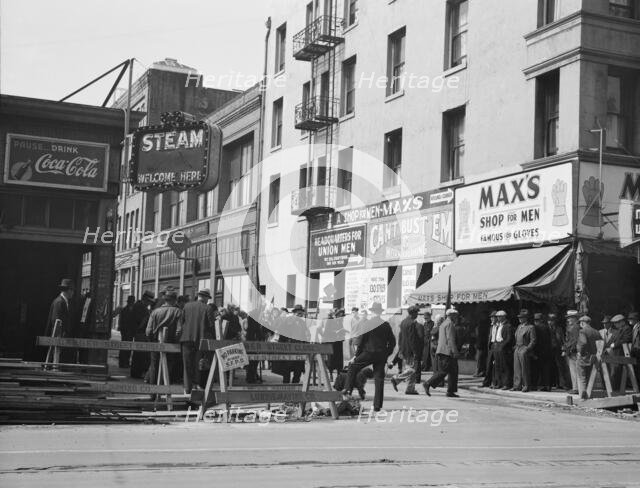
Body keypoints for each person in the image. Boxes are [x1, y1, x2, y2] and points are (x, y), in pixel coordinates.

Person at [341, 302, 396, 412]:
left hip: (368, 352)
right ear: (380, 312)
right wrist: (386, 354)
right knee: (379, 379)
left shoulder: (367, 324)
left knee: (352, 366)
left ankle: (346, 392)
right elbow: (393, 343)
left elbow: (361, 342)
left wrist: (356, 356)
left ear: (372, 312)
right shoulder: (386, 324)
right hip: (381, 354)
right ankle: (377, 406)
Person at [177, 288, 213, 394]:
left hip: (186, 339)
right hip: (200, 339)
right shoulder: (208, 308)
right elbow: (211, 326)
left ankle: (187, 388)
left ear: (198, 296)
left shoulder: (187, 306)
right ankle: (196, 387)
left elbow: (181, 322)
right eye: (208, 298)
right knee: (198, 364)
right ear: (206, 298)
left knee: (187, 365)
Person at [145, 290, 183, 384]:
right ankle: (162, 389)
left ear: (165, 300)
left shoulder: (155, 312)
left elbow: (148, 331)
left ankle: (152, 392)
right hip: (171, 344)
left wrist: (151, 340)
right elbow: (179, 331)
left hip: (155, 342)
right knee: (167, 366)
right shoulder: (178, 312)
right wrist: (176, 342)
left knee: (154, 366)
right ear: (174, 300)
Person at [422, 308, 460, 398]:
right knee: (444, 371)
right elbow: (450, 339)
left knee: (453, 371)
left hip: (442, 350)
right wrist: (455, 351)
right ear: (450, 315)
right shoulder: (450, 324)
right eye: (455, 315)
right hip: (447, 351)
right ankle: (428, 383)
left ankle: (450, 391)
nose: (456, 317)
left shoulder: (443, 323)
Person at [390, 306, 423, 395]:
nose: (417, 315)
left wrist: (400, 348)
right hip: (409, 350)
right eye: (416, 313)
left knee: (410, 369)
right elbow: (412, 339)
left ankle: (410, 388)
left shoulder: (404, 322)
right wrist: (415, 351)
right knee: (412, 369)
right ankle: (396, 378)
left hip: (404, 348)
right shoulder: (411, 323)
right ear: (413, 313)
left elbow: (400, 337)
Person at [277, 304, 310, 383]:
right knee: (287, 368)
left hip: (299, 349)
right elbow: (282, 333)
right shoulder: (287, 321)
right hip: (289, 348)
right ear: (294, 313)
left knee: (298, 369)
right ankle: (286, 386)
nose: (300, 315)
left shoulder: (302, 322)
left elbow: (305, 335)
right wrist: (282, 345)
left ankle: (295, 385)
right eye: (298, 313)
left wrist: (306, 344)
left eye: (301, 313)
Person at [46, 278, 77, 363]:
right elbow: (56, 323)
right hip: (59, 340)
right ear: (67, 290)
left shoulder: (65, 302)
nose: (73, 292)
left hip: (63, 341)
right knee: (56, 362)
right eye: (72, 290)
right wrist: (62, 337)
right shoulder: (59, 303)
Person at [130, 291, 155, 379]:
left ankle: (136, 372)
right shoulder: (140, 307)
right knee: (140, 355)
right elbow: (141, 322)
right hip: (141, 333)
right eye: (149, 302)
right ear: (145, 299)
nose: (149, 304)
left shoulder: (139, 306)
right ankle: (137, 373)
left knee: (139, 354)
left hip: (139, 333)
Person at [606, 314, 633, 390]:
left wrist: (614, 345)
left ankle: (617, 389)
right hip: (614, 354)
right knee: (614, 372)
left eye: (616, 322)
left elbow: (626, 339)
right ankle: (614, 389)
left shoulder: (627, 329)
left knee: (617, 372)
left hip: (621, 353)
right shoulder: (618, 331)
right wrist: (605, 346)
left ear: (622, 322)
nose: (615, 324)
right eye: (614, 323)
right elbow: (611, 340)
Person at [512, 309, 536, 392]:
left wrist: (527, 348)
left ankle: (526, 385)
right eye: (519, 317)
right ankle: (517, 385)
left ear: (526, 318)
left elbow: (533, 340)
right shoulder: (519, 326)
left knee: (524, 368)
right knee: (517, 368)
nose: (520, 319)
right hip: (517, 348)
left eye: (522, 318)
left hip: (524, 348)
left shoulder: (530, 327)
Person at [576, 315, 600, 400]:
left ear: (582, 323)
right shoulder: (596, 332)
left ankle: (583, 394)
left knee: (582, 376)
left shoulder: (582, 331)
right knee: (589, 375)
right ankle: (589, 393)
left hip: (584, 357)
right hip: (594, 357)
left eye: (580, 323)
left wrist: (580, 352)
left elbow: (583, 343)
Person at [548, 313, 570, 390]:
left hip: (557, 349)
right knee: (550, 367)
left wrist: (563, 348)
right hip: (549, 350)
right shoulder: (547, 328)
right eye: (550, 320)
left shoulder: (559, 329)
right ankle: (551, 383)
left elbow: (562, 339)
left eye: (553, 320)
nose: (551, 322)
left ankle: (561, 384)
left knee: (560, 367)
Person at [494, 310, 514, 390]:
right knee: (498, 365)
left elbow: (509, 338)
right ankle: (499, 383)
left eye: (499, 316)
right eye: (497, 316)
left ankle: (507, 383)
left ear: (504, 317)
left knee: (505, 366)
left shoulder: (508, 326)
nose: (498, 318)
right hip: (497, 345)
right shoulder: (498, 325)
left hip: (503, 347)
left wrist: (503, 345)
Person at [532, 312, 551, 391]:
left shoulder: (536, 328)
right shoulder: (546, 327)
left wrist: (534, 352)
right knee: (546, 369)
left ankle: (537, 385)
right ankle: (547, 385)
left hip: (538, 351)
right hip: (547, 350)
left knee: (537, 369)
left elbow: (536, 341)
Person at [563, 310, 580, 395]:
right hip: (571, 351)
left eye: (570, 318)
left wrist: (569, 349)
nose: (568, 319)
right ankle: (575, 387)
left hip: (574, 351)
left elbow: (575, 340)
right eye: (568, 318)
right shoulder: (571, 327)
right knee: (573, 370)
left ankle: (576, 388)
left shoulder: (576, 327)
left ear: (575, 318)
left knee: (575, 370)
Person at [118, 296, 136, 368]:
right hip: (125, 331)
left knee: (128, 347)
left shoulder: (132, 309)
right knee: (124, 347)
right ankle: (122, 363)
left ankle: (125, 362)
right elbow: (122, 320)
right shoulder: (125, 310)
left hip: (129, 331)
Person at [482, 311, 499, 387]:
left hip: (497, 346)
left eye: (493, 317)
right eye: (491, 317)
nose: (492, 319)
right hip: (491, 346)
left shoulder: (499, 326)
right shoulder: (492, 326)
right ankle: (486, 382)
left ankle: (495, 382)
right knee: (488, 365)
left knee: (496, 365)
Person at [474, 310, 490, 377]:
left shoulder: (484, 325)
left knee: (480, 359)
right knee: (479, 359)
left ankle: (479, 371)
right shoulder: (482, 325)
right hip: (480, 344)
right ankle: (480, 371)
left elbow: (480, 336)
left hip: (482, 345)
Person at [630, 312, 640, 383]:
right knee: (636, 369)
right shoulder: (635, 327)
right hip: (635, 351)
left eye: (631, 319)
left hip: (638, 350)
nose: (629, 320)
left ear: (636, 319)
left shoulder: (638, 326)